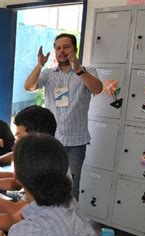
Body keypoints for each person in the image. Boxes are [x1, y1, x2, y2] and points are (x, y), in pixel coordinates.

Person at [24, 33, 103, 200]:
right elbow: (29, 86)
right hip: (51, 141)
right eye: (58, 48)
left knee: (71, 188)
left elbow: (97, 89)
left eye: (66, 47)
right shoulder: (48, 73)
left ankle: (69, 224)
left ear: (75, 49)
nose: (62, 51)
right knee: (46, 184)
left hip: (76, 142)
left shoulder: (88, 71)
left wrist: (79, 70)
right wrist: (39, 65)